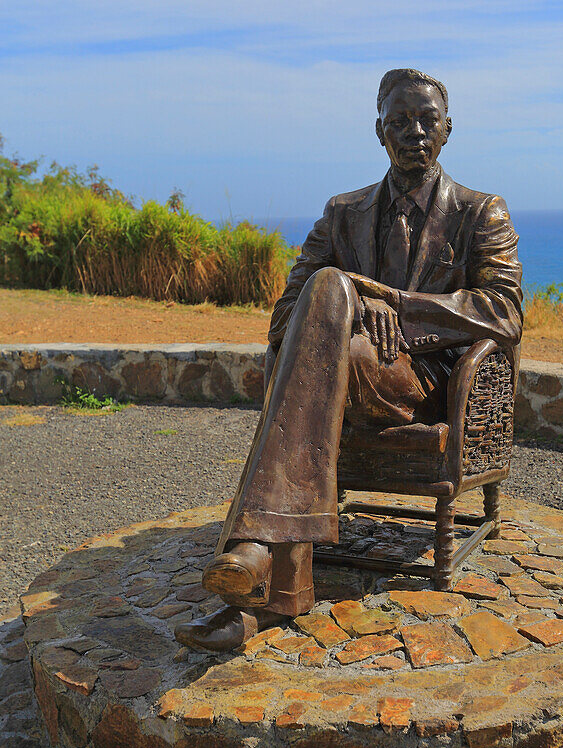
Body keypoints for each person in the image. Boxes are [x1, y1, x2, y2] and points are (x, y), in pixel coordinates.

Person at [176, 67, 523, 652]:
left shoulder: (480, 212)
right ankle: (278, 579)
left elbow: (504, 312)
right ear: (379, 131)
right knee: (327, 293)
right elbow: (287, 314)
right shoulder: (343, 213)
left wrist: (390, 301)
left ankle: (253, 546)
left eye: (427, 120)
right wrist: (352, 309)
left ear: (448, 129)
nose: (414, 131)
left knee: (333, 283)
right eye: (399, 121)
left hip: (421, 378)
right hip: (343, 367)